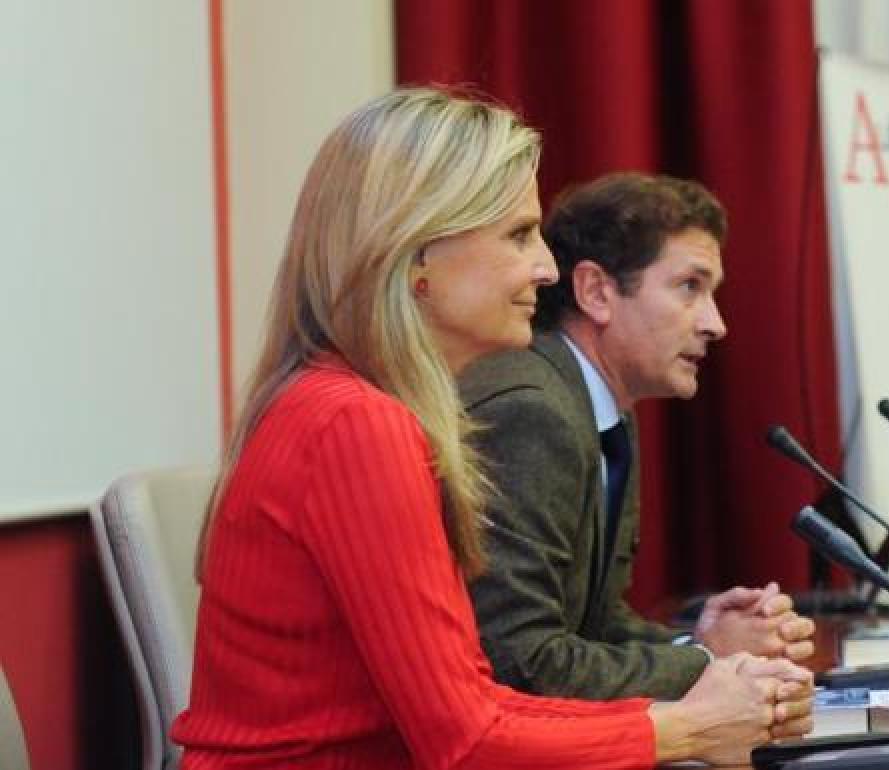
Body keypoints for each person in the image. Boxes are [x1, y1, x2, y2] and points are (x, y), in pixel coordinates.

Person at [172, 89, 812, 769]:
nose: (545, 267)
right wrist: (687, 728)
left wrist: (689, 707)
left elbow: (477, 699)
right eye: (517, 235)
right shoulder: (355, 423)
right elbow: (468, 739)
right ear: (416, 257)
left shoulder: (354, 406)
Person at [460, 173, 817, 701]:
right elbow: (520, 661)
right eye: (689, 287)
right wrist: (705, 663)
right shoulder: (533, 412)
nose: (716, 324)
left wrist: (701, 642)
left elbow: (594, 623)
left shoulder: (603, 409)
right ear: (597, 292)